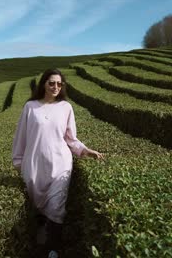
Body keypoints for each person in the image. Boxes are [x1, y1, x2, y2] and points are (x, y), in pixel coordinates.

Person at [12, 68, 104, 257]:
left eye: (59, 84)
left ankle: (53, 249)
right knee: (37, 204)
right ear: (44, 84)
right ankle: (41, 235)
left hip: (60, 163)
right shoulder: (30, 107)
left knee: (57, 207)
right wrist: (19, 162)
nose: (55, 87)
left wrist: (85, 150)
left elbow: (71, 138)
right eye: (51, 83)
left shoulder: (66, 107)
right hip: (34, 165)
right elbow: (20, 137)